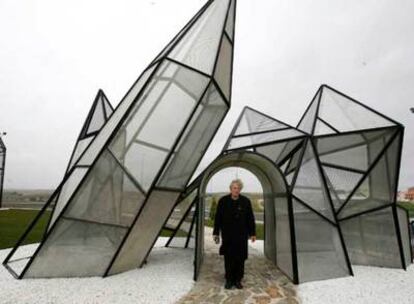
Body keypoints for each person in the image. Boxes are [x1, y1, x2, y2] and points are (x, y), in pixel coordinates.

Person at [212, 178, 256, 290]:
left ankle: (237, 280)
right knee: (229, 258)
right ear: (230, 189)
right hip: (228, 235)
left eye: (238, 188)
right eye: (234, 188)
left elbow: (250, 218)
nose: (236, 190)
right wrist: (216, 232)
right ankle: (229, 279)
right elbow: (218, 218)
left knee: (240, 258)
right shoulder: (223, 201)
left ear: (240, 189)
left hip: (241, 235)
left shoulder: (246, 201)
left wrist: (252, 233)